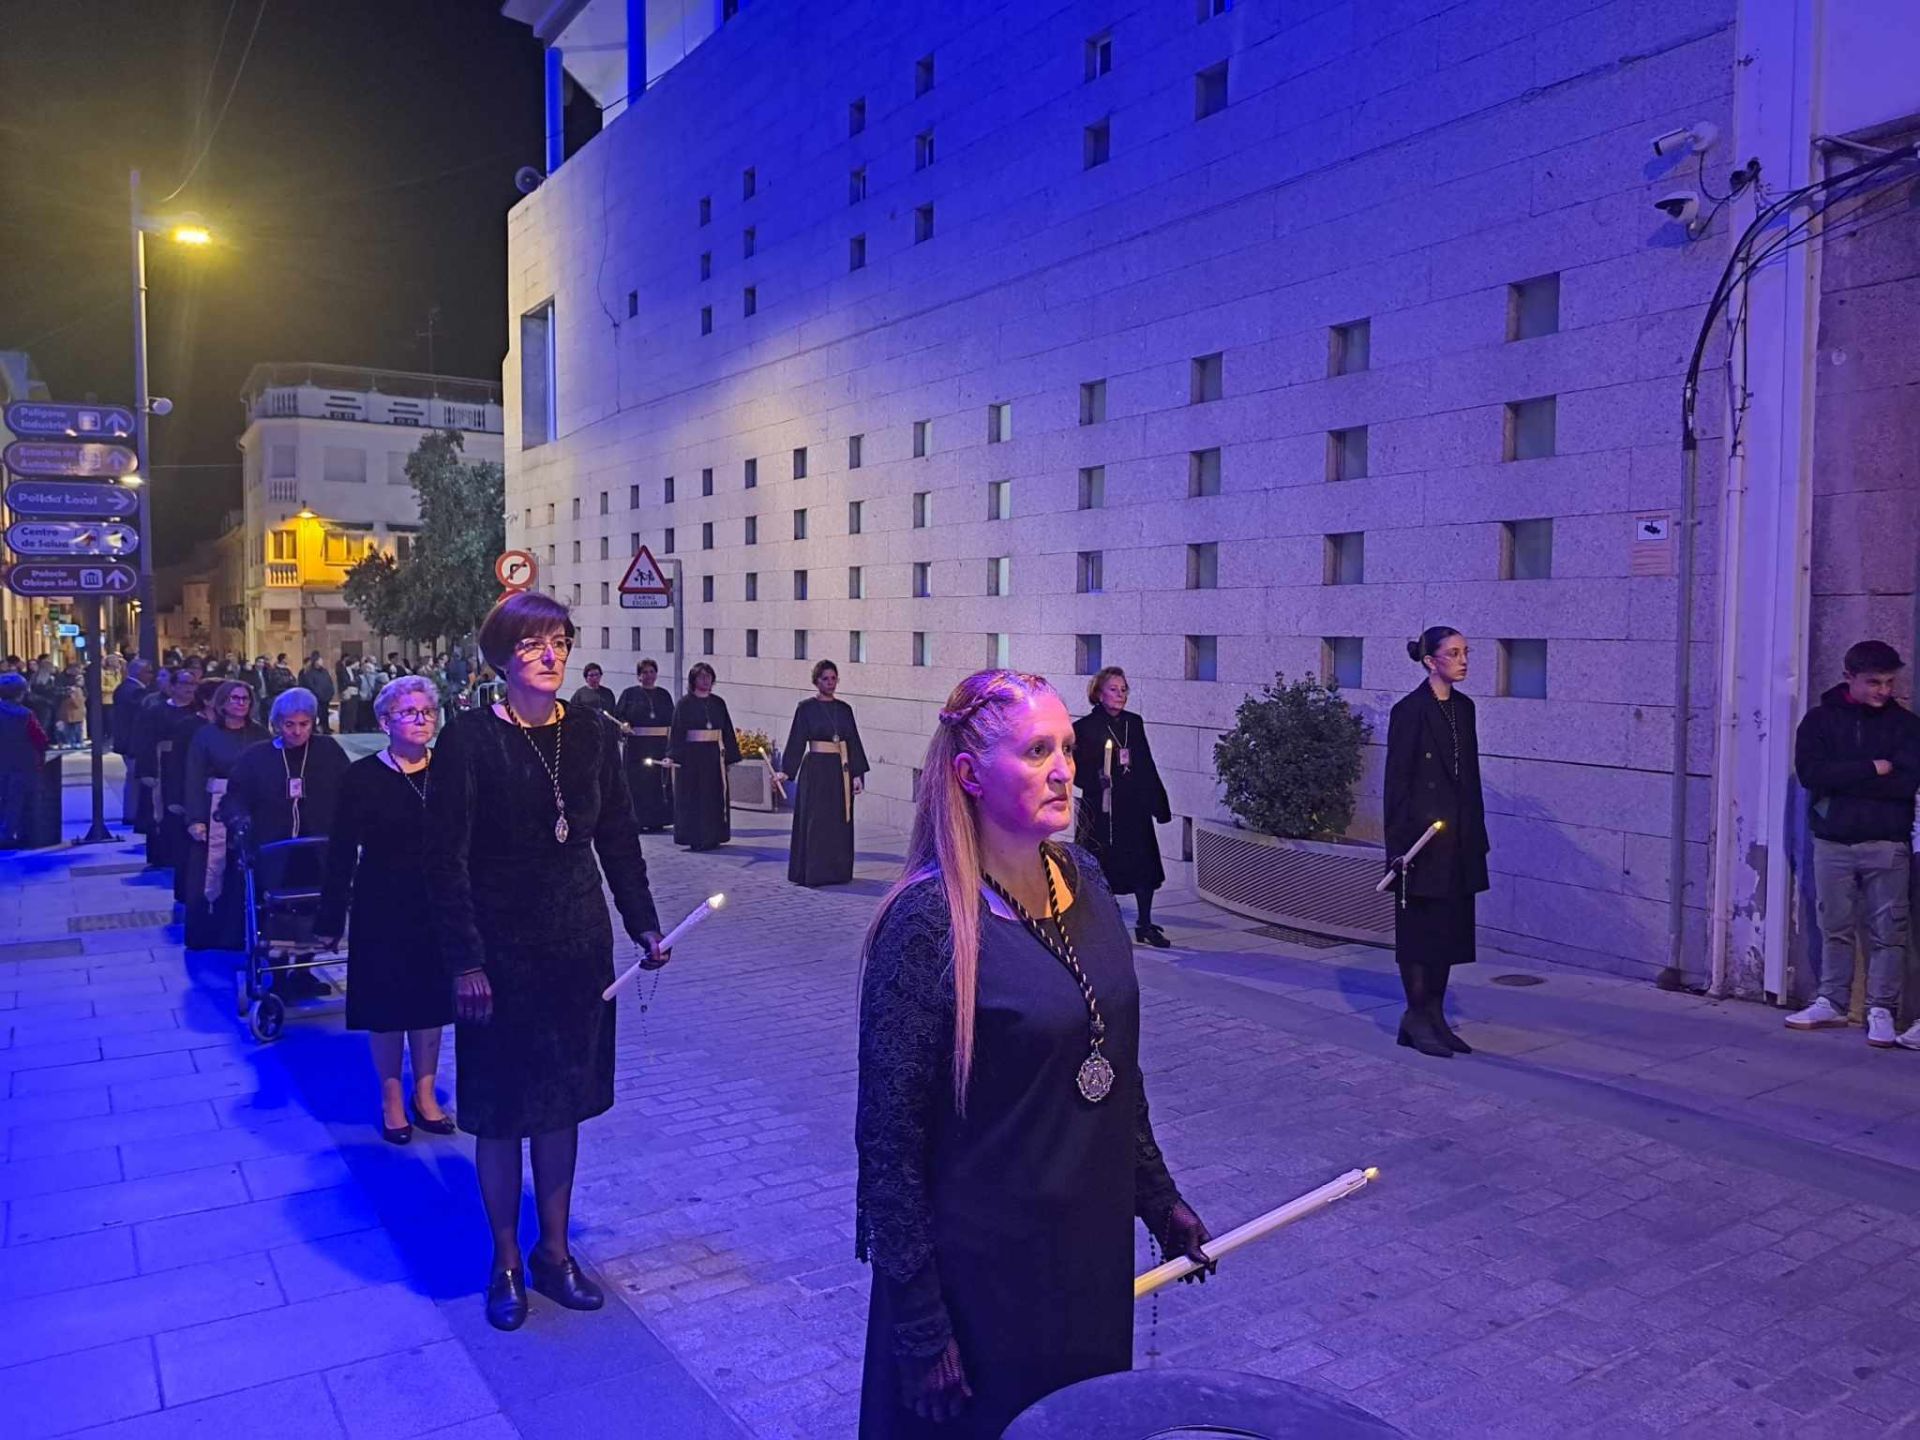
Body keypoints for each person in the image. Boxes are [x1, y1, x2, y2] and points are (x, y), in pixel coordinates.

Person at [855, 669, 1211, 1438]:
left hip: (1086, 1255)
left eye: (1067, 749)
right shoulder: (926, 924)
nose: (1062, 770)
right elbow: (889, 1144)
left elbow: (1113, 1064)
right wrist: (920, 1323)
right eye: (1035, 751)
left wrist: (1158, 1195)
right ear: (969, 774)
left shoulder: (1084, 876)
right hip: (981, 1276)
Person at [422, 591, 669, 1332]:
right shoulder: (468, 739)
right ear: (502, 659)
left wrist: (644, 924)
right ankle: (503, 1260)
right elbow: (445, 863)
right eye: (532, 644)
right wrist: (466, 960)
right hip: (498, 957)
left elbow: (618, 836)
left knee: (563, 1106)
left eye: (558, 640)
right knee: (500, 1114)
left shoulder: (592, 731)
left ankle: (554, 1253)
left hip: (576, 948)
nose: (551, 654)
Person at [316, 676, 457, 1143]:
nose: (421, 720)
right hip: (383, 902)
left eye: (427, 712)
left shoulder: (452, 771)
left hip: (438, 903)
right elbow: (340, 851)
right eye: (410, 713)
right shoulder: (361, 778)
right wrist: (331, 918)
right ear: (385, 722)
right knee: (388, 1006)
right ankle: (392, 1099)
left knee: (431, 1003)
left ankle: (426, 1093)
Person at [1788, 640, 1920, 1046]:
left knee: (1889, 930)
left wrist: (1847, 778)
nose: (1884, 690)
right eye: (1874, 682)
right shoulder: (1820, 721)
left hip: (1886, 840)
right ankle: (1831, 1000)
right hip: (1833, 841)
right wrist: (1872, 768)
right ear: (1849, 677)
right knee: (1834, 925)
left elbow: (1905, 781)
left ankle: (1881, 1009)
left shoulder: (1905, 725)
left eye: (1889, 682)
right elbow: (1812, 774)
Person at [1383, 627, 1491, 1059]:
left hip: (1458, 840)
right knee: (1418, 933)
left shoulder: (1464, 709)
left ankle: (1435, 1015)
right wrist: (1399, 849)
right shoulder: (1409, 710)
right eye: (1453, 653)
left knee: (1447, 933)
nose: (1463, 660)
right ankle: (1414, 1017)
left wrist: (1476, 838)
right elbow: (1397, 783)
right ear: (1431, 660)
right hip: (1420, 844)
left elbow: (1471, 779)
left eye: (1466, 652)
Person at [220, 688, 352, 1001]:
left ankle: (304, 970)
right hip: (274, 850)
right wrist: (240, 822)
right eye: (289, 724)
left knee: (314, 909)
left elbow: (351, 790)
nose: (296, 731)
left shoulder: (328, 752)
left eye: (304, 724)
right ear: (277, 723)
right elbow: (234, 798)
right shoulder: (256, 757)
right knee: (278, 912)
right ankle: (277, 976)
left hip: (318, 848)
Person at [1071, 668, 1173, 947]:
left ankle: (1144, 923)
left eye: (1124, 689)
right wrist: (1096, 779)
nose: (1121, 695)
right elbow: (1073, 770)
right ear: (1099, 693)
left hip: (1133, 804)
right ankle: (1104, 925)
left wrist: (1159, 804)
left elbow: (1146, 763)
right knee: (1103, 865)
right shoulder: (1084, 728)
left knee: (1143, 864)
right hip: (1101, 807)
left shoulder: (1133, 723)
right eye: (1114, 689)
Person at [183, 681, 269, 951]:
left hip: (250, 809)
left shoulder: (259, 734)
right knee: (212, 871)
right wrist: (195, 818)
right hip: (215, 809)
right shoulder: (205, 735)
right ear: (222, 703)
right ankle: (209, 933)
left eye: (245, 698)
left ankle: (240, 933)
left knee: (243, 871)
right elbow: (194, 776)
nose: (240, 703)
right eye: (234, 698)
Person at [776, 659, 871, 887]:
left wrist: (857, 776)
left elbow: (853, 742)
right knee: (816, 821)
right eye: (825, 679)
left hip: (841, 771)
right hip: (816, 770)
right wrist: (786, 772)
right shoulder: (806, 708)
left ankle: (837, 872)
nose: (830, 683)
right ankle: (814, 872)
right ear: (816, 681)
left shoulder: (844, 709)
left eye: (833, 678)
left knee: (839, 820)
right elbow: (797, 740)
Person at [669, 662, 741, 852]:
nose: (706, 680)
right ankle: (696, 837)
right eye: (701, 677)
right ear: (693, 680)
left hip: (713, 756)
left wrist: (731, 757)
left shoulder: (718, 703)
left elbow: (727, 730)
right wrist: (672, 755)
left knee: (714, 796)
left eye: (709, 676)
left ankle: (714, 836)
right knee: (695, 798)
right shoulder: (684, 704)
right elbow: (677, 732)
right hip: (692, 757)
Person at [615, 658, 676, 832]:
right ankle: (638, 820)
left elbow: (672, 721)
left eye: (652, 672)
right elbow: (619, 716)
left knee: (658, 784)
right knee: (638, 784)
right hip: (637, 748)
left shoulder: (664, 695)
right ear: (638, 676)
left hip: (659, 746)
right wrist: (623, 725)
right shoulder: (629, 694)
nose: (649, 676)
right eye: (645, 673)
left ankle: (658, 820)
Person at [0, 674, 50, 846]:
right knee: (18, 801)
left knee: (4, 799)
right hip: (23, 763)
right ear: (20, 693)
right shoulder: (25, 714)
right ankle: (10, 835)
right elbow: (41, 739)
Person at [113, 658, 153, 832]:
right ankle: (131, 814)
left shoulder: (126, 688)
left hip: (127, 741)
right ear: (138, 672)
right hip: (131, 742)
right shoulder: (133, 691)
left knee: (133, 778)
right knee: (135, 778)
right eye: (148, 671)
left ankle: (131, 812)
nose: (151, 675)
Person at [300, 652, 337, 735]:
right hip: (317, 697)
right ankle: (313, 729)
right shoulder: (310, 672)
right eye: (320, 660)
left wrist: (331, 692)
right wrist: (318, 694)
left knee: (325, 713)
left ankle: (326, 727)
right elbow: (311, 685)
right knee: (315, 714)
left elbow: (329, 682)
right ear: (316, 661)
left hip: (326, 696)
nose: (322, 662)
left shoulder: (324, 671)